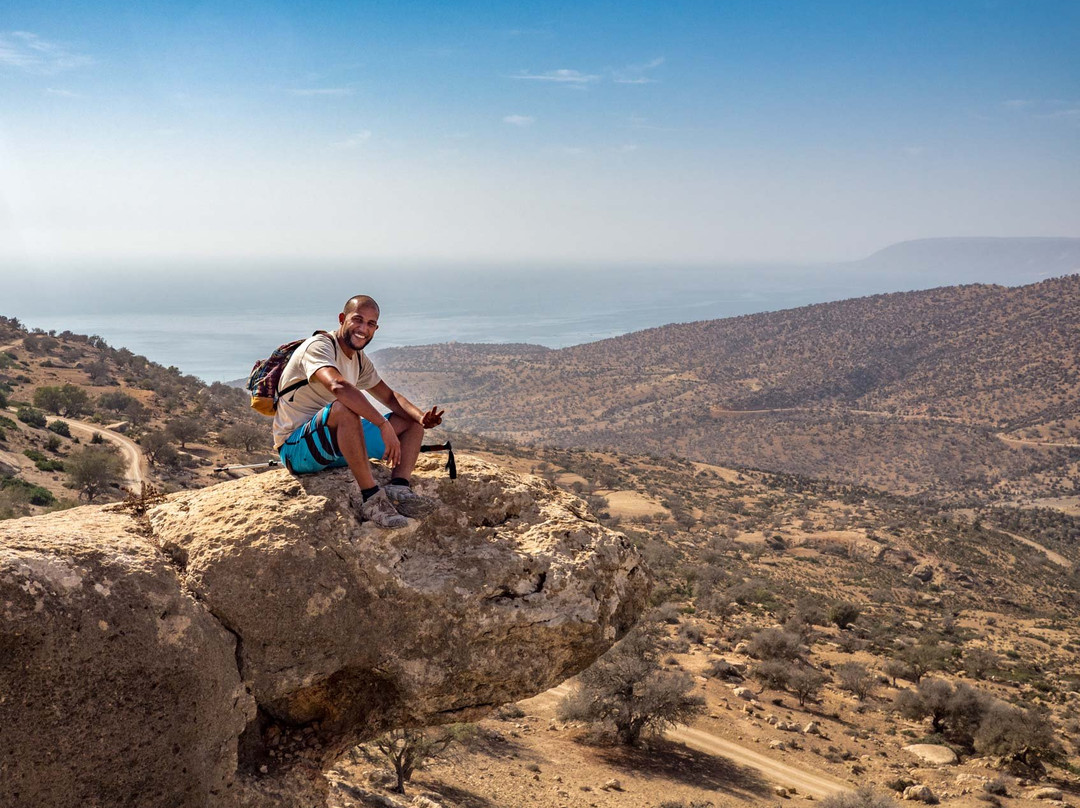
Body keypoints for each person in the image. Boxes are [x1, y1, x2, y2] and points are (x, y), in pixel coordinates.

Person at [272, 294, 444, 528]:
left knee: (410, 423)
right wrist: (383, 425)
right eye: (358, 320)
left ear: (376, 328)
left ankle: (399, 489)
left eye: (371, 324)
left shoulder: (359, 360)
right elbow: (338, 386)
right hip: (297, 449)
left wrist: (421, 417)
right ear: (342, 319)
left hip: (336, 444)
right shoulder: (319, 347)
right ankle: (372, 499)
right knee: (344, 408)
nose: (363, 328)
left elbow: (390, 397)